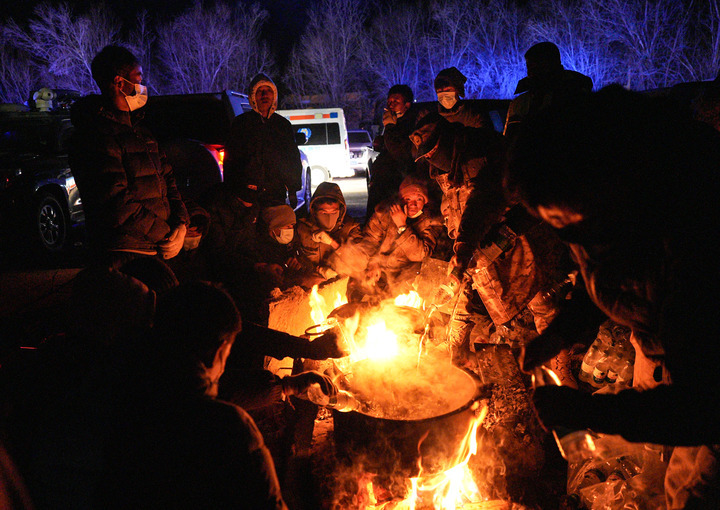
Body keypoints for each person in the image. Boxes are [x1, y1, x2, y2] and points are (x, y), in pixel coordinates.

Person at [506, 85, 720, 508]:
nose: (556, 229)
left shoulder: (697, 235)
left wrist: (587, 414)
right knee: (670, 475)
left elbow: (703, 408)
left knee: (697, 492)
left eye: (557, 215)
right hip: (662, 354)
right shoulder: (606, 214)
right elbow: (609, 275)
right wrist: (560, 333)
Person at [100, 281, 291, 509]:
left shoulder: (119, 393)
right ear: (218, 353)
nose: (223, 369)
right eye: (227, 355)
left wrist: (286, 387)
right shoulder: (229, 428)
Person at [410, 112, 572, 380]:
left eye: (431, 152)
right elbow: (457, 206)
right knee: (463, 291)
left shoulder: (482, 152)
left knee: (540, 300)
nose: (429, 159)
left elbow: (483, 203)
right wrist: (460, 249)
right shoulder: (443, 163)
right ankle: (460, 361)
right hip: (476, 240)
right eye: (425, 155)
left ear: (446, 141)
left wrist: (472, 246)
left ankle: (560, 369)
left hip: (518, 232)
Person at [69, 45, 189, 268]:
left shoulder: (142, 133)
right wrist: (167, 234)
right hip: (125, 253)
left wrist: (181, 224)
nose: (143, 87)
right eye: (138, 79)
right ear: (119, 83)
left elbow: (169, 182)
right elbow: (116, 202)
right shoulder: (95, 136)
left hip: (158, 248)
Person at [353, 176, 443, 300]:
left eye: (419, 199)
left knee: (394, 306)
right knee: (358, 294)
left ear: (425, 201)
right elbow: (369, 241)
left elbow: (421, 255)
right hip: (378, 270)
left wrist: (402, 226)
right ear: (401, 199)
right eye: (408, 199)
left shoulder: (432, 221)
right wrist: (373, 262)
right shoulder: (384, 213)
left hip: (406, 276)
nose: (413, 204)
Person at [223, 74, 303, 209]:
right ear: (253, 96)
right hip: (247, 195)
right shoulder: (241, 124)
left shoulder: (282, 125)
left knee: (274, 229)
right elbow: (231, 159)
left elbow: (292, 159)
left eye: (269, 91)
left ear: (274, 96)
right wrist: (234, 190)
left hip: (275, 194)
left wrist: (293, 190)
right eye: (260, 91)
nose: (265, 94)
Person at [503, 41, 593, 142]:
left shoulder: (575, 95)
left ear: (554, 64)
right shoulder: (520, 103)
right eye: (530, 67)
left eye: (541, 66)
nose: (533, 72)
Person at [366, 84, 419, 217]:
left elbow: (399, 151)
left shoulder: (411, 124)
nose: (391, 105)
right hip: (382, 183)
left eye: (396, 101)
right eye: (389, 101)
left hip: (395, 184)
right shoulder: (394, 122)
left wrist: (390, 126)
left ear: (406, 105)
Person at [296, 182, 363, 286]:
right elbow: (293, 259)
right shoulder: (302, 228)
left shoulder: (351, 228)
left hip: (343, 286)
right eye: (324, 213)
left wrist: (332, 243)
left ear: (340, 211)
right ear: (314, 211)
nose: (329, 217)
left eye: (333, 212)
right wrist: (308, 275)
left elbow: (359, 263)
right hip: (311, 288)